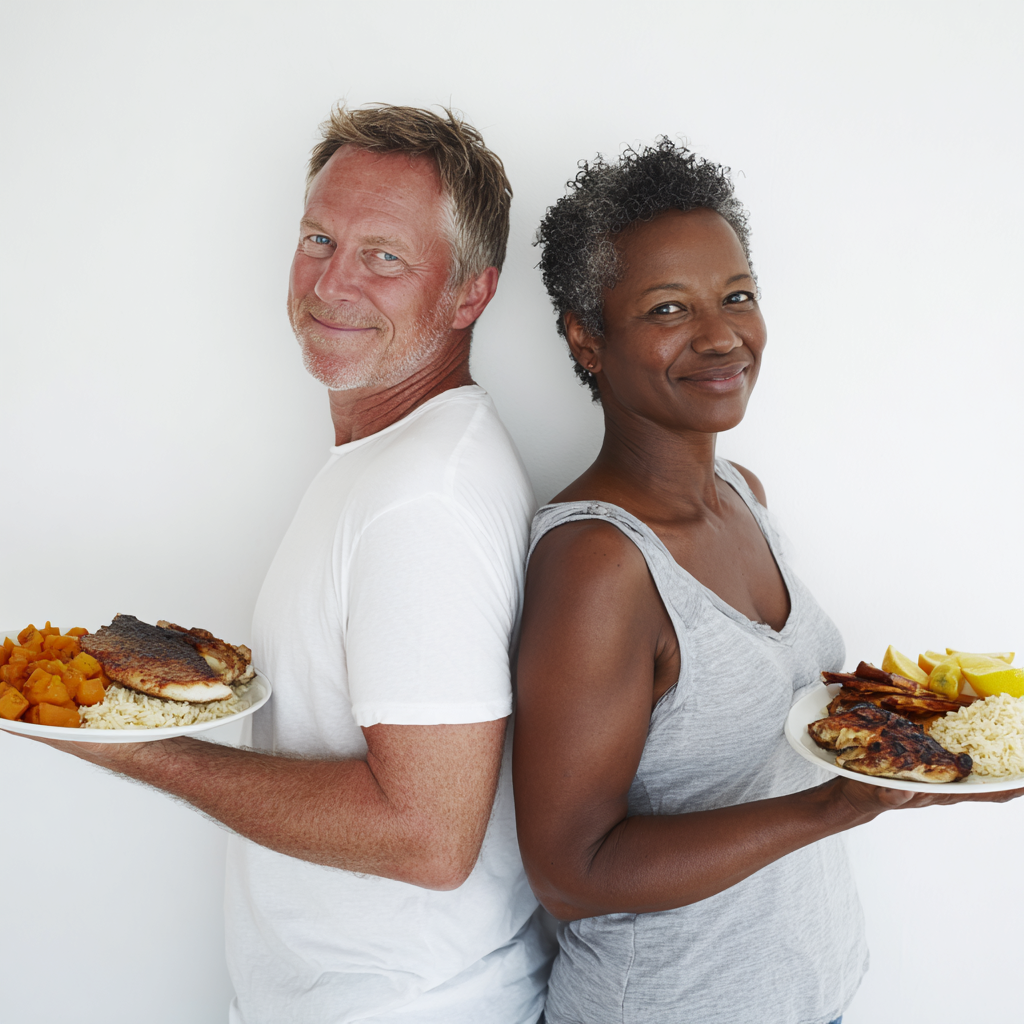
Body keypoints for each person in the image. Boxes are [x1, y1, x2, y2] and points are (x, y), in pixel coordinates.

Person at [32, 104, 551, 1024]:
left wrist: (137, 749)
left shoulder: (423, 496)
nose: (331, 283)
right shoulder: (390, 457)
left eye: (384, 255)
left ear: (471, 294)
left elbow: (429, 836)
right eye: (319, 237)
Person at [513, 139, 1023, 1024]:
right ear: (585, 336)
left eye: (737, 296)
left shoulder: (742, 496)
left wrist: (920, 727)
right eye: (669, 308)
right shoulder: (599, 562)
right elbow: (571, 872)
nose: (722, 335)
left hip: (805, 990)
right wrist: (836, 806)